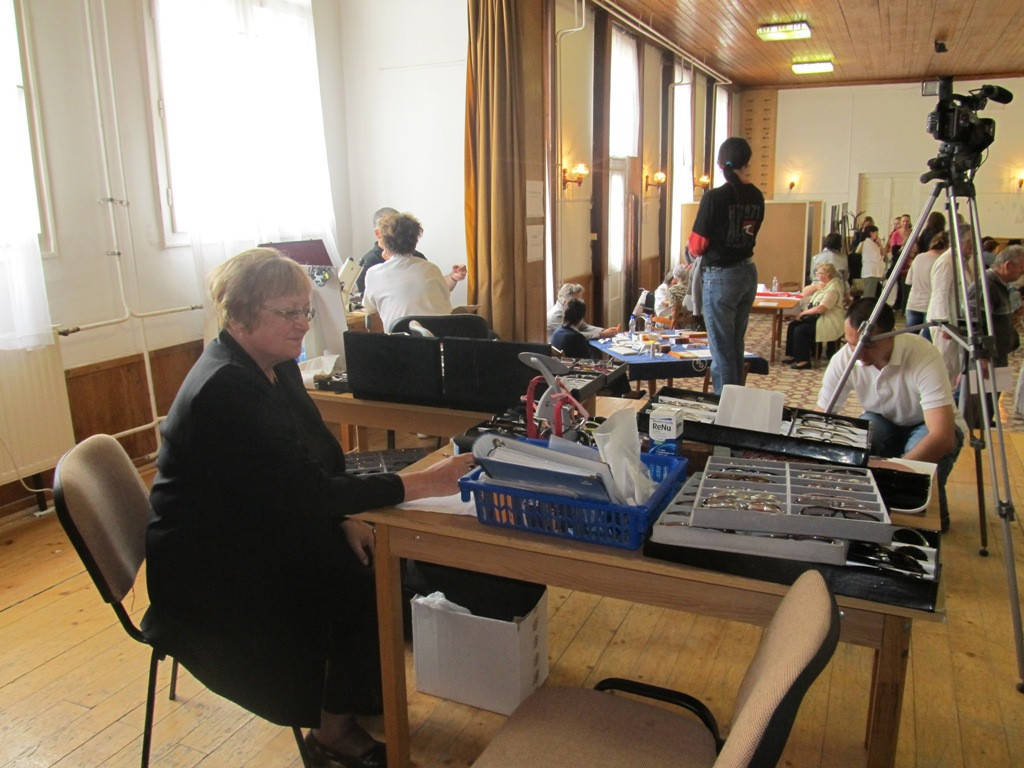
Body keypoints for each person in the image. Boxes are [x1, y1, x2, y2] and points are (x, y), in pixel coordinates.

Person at [146, 248, 475, 766]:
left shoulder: (274, 367)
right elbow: (306, 492)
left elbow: (317, 461)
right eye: (288, 313)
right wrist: (423, 483)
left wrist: (345, 515)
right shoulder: (225, 388)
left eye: (305, 310)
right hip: (205, 562)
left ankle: (353, 696)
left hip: (247, 523)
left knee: (365, 556)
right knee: (351, 573)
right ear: (238, 316)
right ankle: (333, 732)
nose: (303, 323)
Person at [817, 298, 963, 531]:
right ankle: (874, 509)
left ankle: (920, 516)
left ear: (891, 335)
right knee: (861, 433)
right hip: (883, 421)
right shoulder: (845, 358)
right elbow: (821, 419)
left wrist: (894, 472)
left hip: (926, 425)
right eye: (852, 344)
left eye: (868, 345)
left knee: (915, 486)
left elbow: (942, 436)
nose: (858, 354)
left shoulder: (922, 353)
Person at [687, 136, 764, 393]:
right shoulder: (757, 196)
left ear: (720, 164)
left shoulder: (714, 198)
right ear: (747, 162)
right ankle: (736, 400)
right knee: (735, 345)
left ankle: (726, 407)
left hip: (721, 276)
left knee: (720, 350)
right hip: (747, 272)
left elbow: (697, 245)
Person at [362, 212, 453, 332]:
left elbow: (369, 308)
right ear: (415, 240)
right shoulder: (432, 269)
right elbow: (445, 301)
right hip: (440, 339)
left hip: (400, 341)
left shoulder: (374, 274)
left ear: (383, 241)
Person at [355, 206, 466, 295]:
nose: (398, 230)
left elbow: (436, 287)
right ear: (378, 233)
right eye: (389, 227)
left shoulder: (421, 260)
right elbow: (366, 303)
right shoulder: (369, 264)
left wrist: (452, 277)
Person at [926, 226, 974, 383]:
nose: (972, 246)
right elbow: (940, 294)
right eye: (970, 242)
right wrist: (944, 324)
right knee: (945, 366)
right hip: (946, 325)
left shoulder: (963, 262)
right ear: (961, 241)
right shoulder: (946, 262)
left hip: (958, 322)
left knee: (955, 366)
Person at [782, 263, 844, 370]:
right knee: (793, 325)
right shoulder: (824, 285)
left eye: (819, 273)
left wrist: (803, 313)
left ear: (827, 275)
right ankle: (794, 355)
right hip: (817, 317)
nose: (817, 275)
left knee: (801, 330)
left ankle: (804, 361)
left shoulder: (833, 289)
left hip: (827, 320)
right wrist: (815, 287)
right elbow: (804, 293)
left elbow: (822, 308)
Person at [904, 231, 948, 341]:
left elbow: (909, 281)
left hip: (913, 303)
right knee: (926, 342)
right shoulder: (941, 262)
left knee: (909, 340)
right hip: (929, 306)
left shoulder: (919, 257)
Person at [546, 283, 618, 342]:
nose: (580, 303)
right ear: (565, 301)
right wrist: (601, 334)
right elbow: (572, 335)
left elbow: (583, 326)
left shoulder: (567, 309)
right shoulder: (556, 315)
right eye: (577, 300)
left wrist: (603, 331)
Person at [858, 225, 885, 299]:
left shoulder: (874, 244)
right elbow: (877, 257)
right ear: (871, 233)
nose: (877, 235)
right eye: (876, 233)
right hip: (870, 273)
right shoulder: (867, 243)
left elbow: (883, 254)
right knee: (869, 295)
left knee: (873, 294)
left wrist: (880, 244)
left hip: (874, 273)